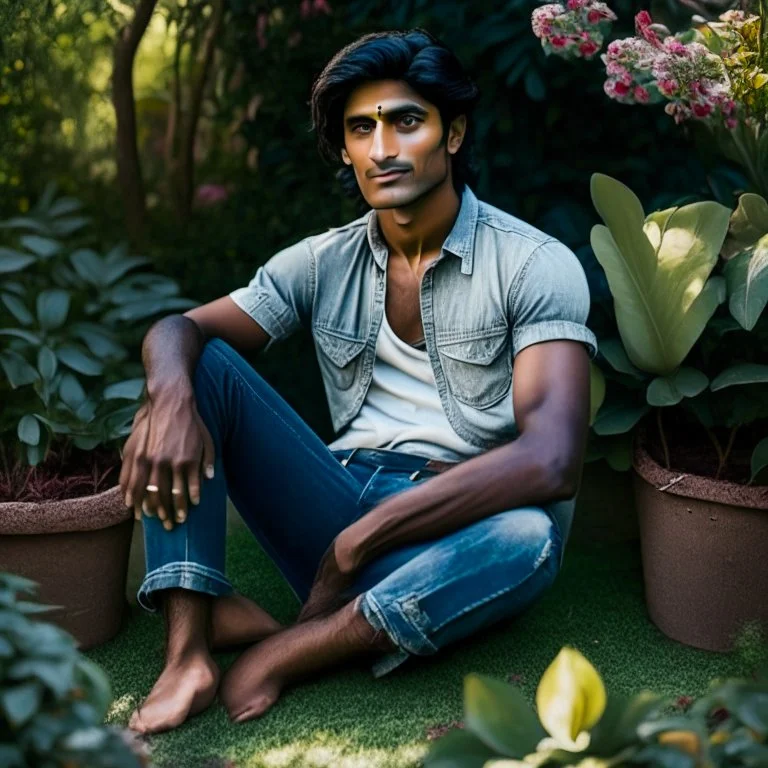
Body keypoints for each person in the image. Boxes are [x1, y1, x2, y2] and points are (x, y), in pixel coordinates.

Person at [120, 27, 598, 735]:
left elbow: (552, 460)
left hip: (456, 522)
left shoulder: (534, 263)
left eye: (406, 121)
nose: (383, 147)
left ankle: (291, 646)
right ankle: (188, 651)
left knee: (526, 541)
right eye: (361, 128)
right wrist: (171, 397)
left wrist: (361, 543)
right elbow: (177, 330)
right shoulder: (323, 261)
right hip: (337, 497)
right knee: (195, 371)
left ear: (453, 133)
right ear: (345, 148)